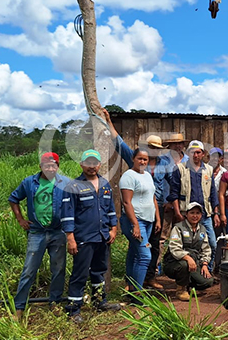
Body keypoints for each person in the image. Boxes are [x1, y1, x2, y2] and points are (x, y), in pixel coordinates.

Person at [103, 108, 169, 290]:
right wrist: (109, 122)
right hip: (136, 214)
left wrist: (162, 213)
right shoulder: (134, 168)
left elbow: (171, 185)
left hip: (155, 210)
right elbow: (119, 142)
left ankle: (148, 278)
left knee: (152, 247)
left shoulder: (164, 164)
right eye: (151, 149)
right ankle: (133, 286)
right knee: (143, 251)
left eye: (157, 149)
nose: (152, 153)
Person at [8, 152, 70, 320]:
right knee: (29, 269)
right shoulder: (29, 182)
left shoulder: (64, 183)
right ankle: (19, 307)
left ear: (57, 166)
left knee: (58, 269)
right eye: (47, 165)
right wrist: (20, 219)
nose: (50, 168)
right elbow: (13, 198)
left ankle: (55, 302)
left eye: (53, 165)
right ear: (41, 166)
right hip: (37, 232)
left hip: (58, 231)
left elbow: (74, 204)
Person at [62, 149, 120, 323]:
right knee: (80, 273)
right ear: (81, 165)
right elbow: (67, 214)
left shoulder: (104, 184)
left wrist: (113, 229)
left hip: (102, 237)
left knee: (98, 271)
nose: (92, 167)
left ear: (99, 165)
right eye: (88, 163)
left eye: (95, 163)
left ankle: (99, 302)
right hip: (83, 238)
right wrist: (70, 238)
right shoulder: (73, 187)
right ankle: (73, 309)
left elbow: (110, 210)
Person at [168, 140, 220, 270]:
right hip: (186, 214)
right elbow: (174, 193)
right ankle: (187, 272)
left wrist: (216, 213)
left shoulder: (208, 169)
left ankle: (207, 270)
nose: (195, 155)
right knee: (186, 245)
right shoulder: (180, 169)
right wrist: (178, 213)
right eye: (192, 152)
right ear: (188, 153)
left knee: (212, 244)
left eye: (198, 152)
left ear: (203, 154)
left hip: (205, 214)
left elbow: (213, 193)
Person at [119, 148, 161, 295]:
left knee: (134, 252)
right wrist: (135, 224)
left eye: (145, 159)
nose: (142, 161)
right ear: (133, 159)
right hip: (135, 221)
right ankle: (138, 293)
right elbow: (126, 202)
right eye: (140, 158)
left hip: (149, 220)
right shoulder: (128, 176)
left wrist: (158, 219)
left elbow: (153, 198)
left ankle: (131, 285)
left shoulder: (148, 176)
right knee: (145, 255)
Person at [163, 202, 214, 301]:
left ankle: (188, 284)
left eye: (197, 213)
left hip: (194, 262)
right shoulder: (178, 228)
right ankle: (181, 289)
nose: (195, 216)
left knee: (207, 281)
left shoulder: (202, 230)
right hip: (174, 263)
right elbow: (174, 248)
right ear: (186, 214)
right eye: (192, 213)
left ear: (201, 215)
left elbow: (206, 249)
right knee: (184, 265)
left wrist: (204, 264)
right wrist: (187, 258)